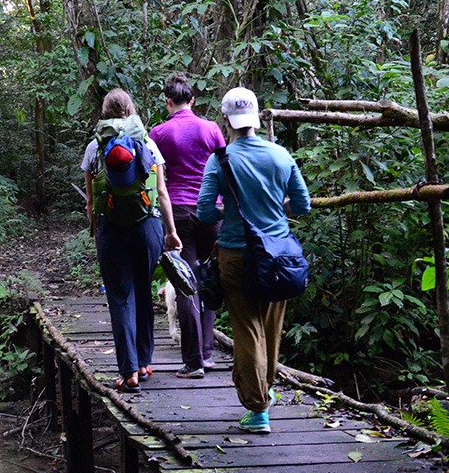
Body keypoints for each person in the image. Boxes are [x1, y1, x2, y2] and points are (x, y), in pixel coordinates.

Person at [197, 87, 311, 433]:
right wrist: (275, 208)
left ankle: (258, 408)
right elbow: (303, 206)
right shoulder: (280, 155)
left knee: (248, 332)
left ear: (226, 119)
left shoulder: (221, 159)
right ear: (257, 118)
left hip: (236, 255)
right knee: (271, 330)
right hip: (278, 254)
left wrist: (229, 209)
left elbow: (204, 212)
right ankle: (266, 392)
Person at [82, 88, 182, 392]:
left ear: (105, 113)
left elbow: (90, 201)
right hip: (147, 227)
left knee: (120, 297)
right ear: (131, 110)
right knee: (142, 291)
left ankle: (128, 372)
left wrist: (95, 227)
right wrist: (171, 231)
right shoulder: (147, 142)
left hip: (112, 230)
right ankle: (144, 362)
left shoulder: (94, 147)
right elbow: (162, 192)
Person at [150, 73, 225, 380]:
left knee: (184, 282)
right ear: (193, 100)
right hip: (212, 210)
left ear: (169, 102)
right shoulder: (211, 128)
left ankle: (192, 361)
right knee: (207, 278)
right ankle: (206, 354)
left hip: (178, 212)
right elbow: (225, 165)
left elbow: (152, 177)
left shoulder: (159, 133)